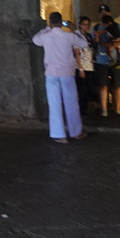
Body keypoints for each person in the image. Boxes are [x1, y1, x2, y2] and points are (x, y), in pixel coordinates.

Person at [32, 11, 88, 143]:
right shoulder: (69, 36)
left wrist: (47, 28)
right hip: (67, 73)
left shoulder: (46, 36)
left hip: (51, 73)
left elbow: (35, 40)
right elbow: (84, 43)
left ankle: (59, 134)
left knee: (54, 104)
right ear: (61, 22)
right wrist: (75, 30)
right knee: (71, 103)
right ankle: (76, 132)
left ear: (50, 22)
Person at [96, 12, 120, 117]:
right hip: (102, 60)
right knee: (104, 86)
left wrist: (115, 44)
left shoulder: (117, 27)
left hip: (116, 58)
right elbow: (97, 43)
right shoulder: (98, 28)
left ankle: (118, 110)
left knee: (117, 85)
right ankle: (104, 110)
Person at [75, 15, 97, 118]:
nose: (86, 26)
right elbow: (76, 53)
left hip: (89, 66)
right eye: (84, 24)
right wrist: (80, 68)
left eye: (88, 25)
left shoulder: (88, 36)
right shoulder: (77, 37)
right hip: (81, 66)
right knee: (81, 89)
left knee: (89, 88)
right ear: (80, 25)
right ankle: (80, 109)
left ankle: (84, 108)